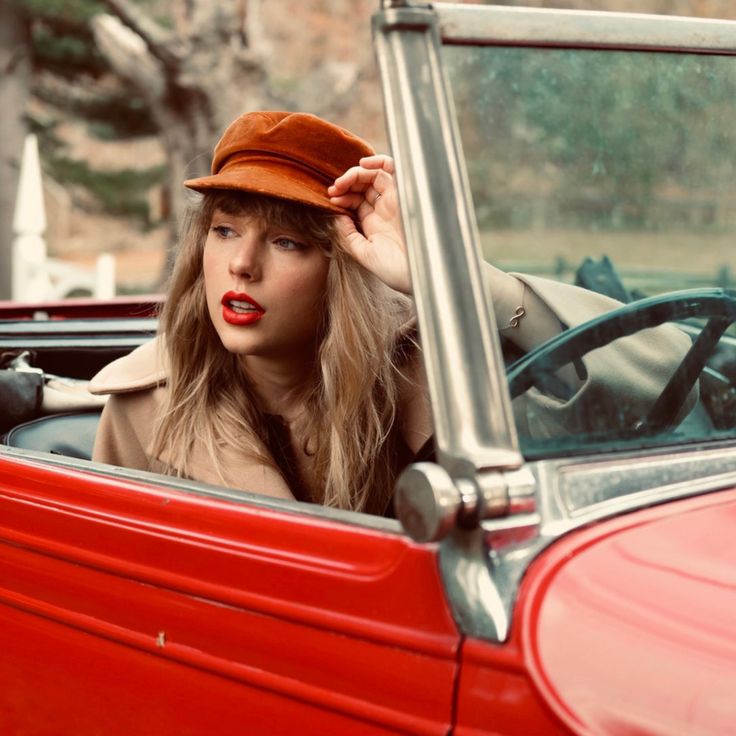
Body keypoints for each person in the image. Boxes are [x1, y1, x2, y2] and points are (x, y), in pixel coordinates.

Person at [90, 110, 694, 515]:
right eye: (224, 231)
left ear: (342, 269)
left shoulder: (426, 372)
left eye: (287, 242)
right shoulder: (145, 407)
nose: (242, 265)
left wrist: (443, 272)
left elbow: (656, 390)